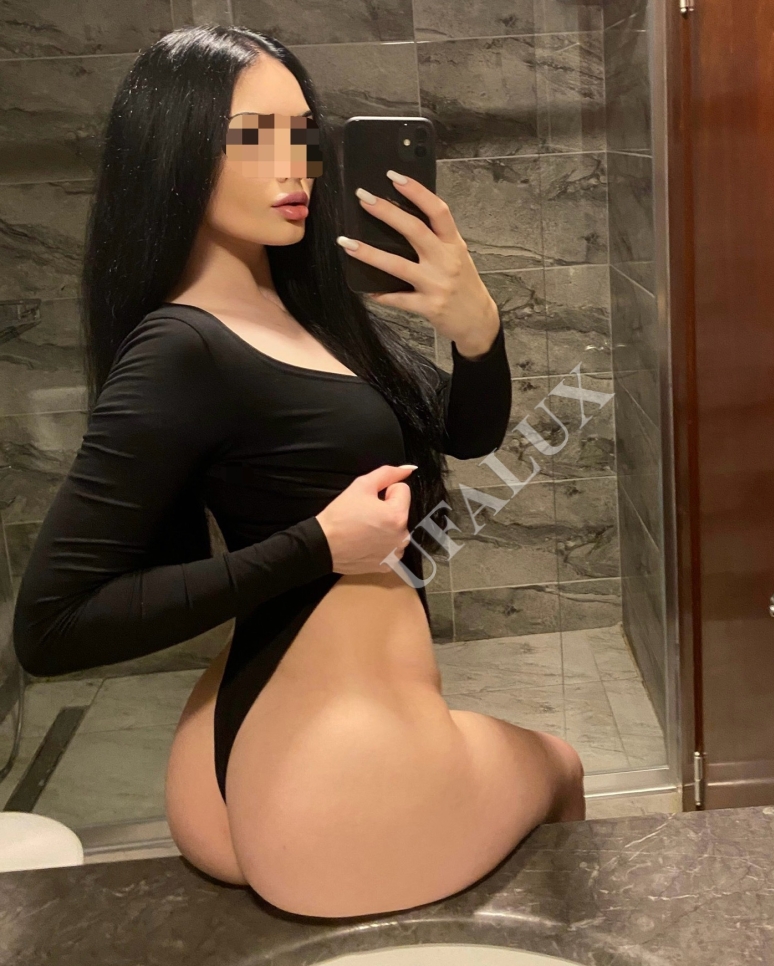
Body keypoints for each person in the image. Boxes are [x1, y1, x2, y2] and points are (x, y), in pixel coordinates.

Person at [11, 25, 584, 918]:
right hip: (326, 759)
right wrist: (320, 544)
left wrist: (478, 332)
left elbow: (465, 433)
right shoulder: (181, 346)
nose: (296, 167)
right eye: (254, 136)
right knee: (563, 768)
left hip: (265, 732)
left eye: (304, 134)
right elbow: (51, 627)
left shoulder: (304, 313)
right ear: (174, 150)